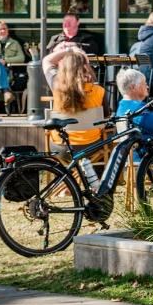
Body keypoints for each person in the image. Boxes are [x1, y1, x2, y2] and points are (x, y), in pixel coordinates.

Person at [47, 49, 110, 216]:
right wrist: (84, 59)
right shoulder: (99, 90)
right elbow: (106, 116)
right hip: (90, 146)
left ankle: (69, 185)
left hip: (60, 146)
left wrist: (68, 51)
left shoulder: (56, 85)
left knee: (72, 158)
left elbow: (47, 61)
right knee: (108, 140)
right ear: (85, 68)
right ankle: (96, 185)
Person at [114, 67, 153, 147]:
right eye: (144, 83)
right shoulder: (139, 111)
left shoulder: (122, 106)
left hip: (137, 153)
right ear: (133, 87)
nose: (147, 87)